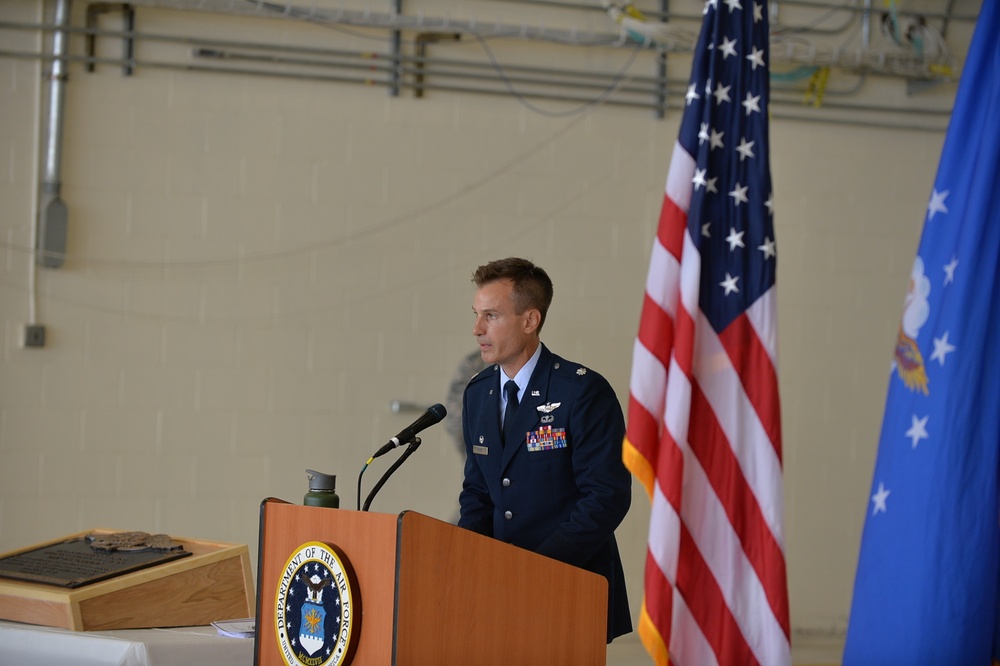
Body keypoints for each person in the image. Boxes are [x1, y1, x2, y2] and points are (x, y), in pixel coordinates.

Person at [457, 257, 632, 643]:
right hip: (499, 592)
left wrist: (537, 570)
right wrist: (468, 562)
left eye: (491, 316)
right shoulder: (479, 394)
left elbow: (606, 497)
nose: (477, 329)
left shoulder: (581, 392)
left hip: (569, 585)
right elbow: (478, 494)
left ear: (529, 320)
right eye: (476, 315)